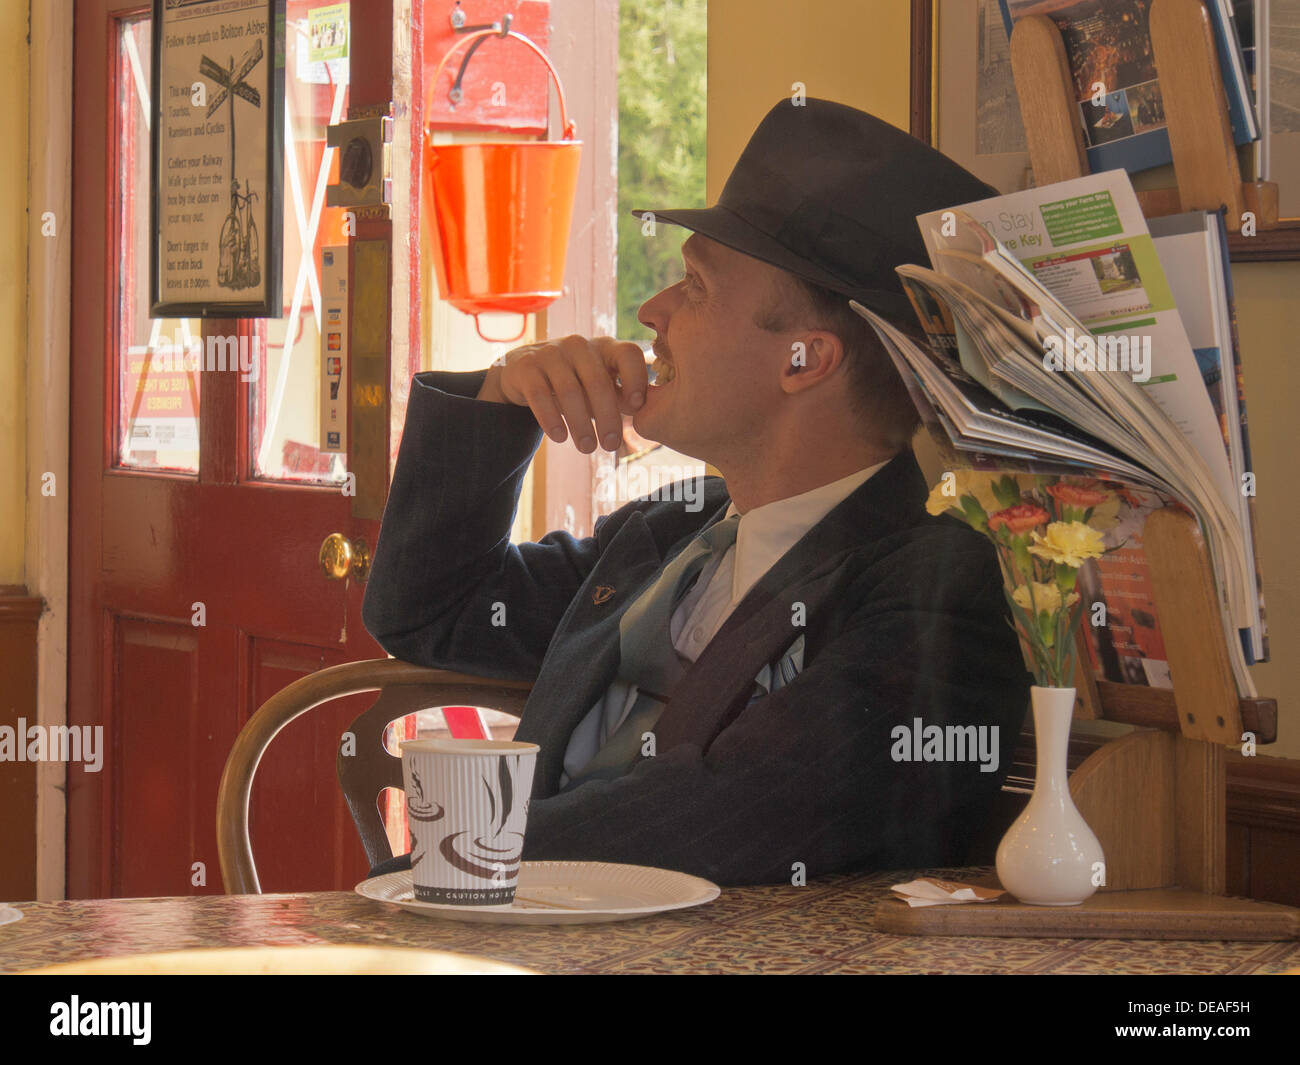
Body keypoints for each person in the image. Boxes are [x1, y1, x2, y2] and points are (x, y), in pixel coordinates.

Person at [361, 98, 1033, 886]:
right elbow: (426, 610)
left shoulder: (933, 594)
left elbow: (721, 815)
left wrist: (448, 861)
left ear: (803, 360)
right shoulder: (671, 532)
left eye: (696, 285)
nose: (654, 312)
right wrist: (499, 399)